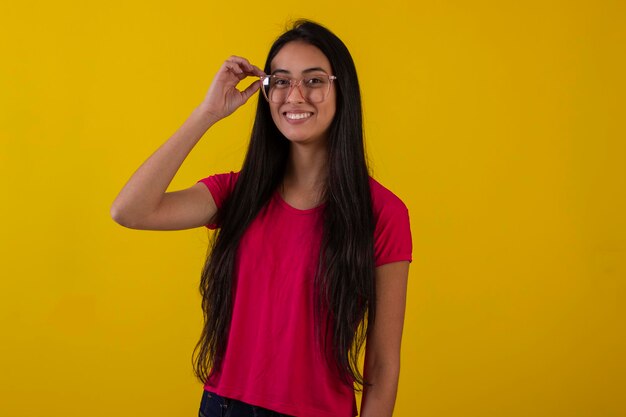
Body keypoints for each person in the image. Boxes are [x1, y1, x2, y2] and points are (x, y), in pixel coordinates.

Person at [111, 19, 412, 417]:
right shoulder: (237, 193)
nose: (296, 95)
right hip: (222, 407)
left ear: (343, 91)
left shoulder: (382, 213)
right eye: (282, 81)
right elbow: (130, 211)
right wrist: (207, 113)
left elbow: (383, 364)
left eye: (315, 80)